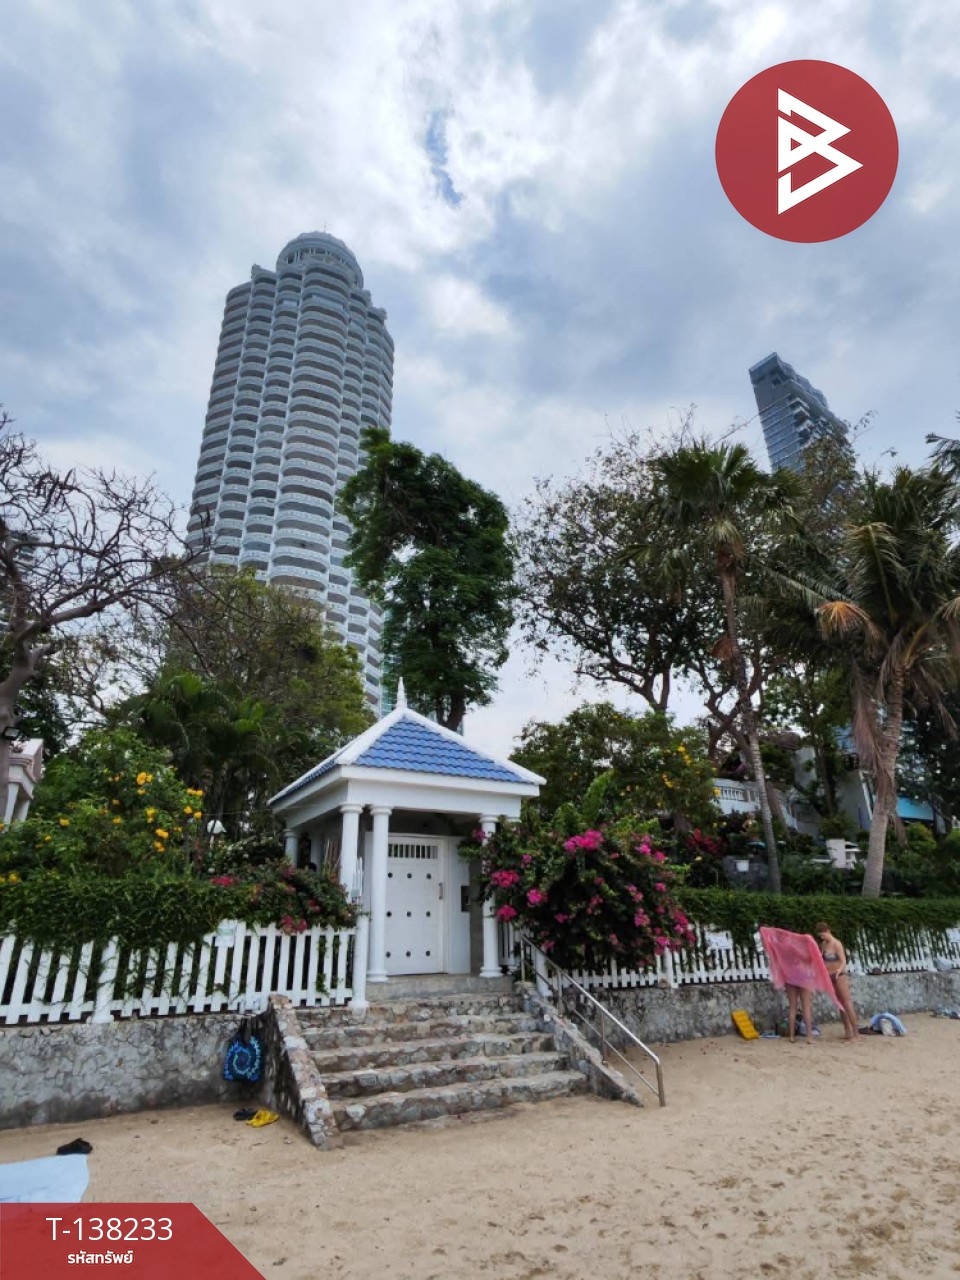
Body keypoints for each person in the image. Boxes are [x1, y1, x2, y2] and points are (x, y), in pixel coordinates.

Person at [817, 921, 860, 1041]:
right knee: (840, 1004)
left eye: (823, 935)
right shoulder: (824, 945)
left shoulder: (836, 944)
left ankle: (856, 1033)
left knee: (847, 1002)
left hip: (839, 975)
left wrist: (840, 970)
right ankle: (848, 1032)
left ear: (828, 931)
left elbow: (843, 960)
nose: (822, 937)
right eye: (821, 936)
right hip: (829, 975)